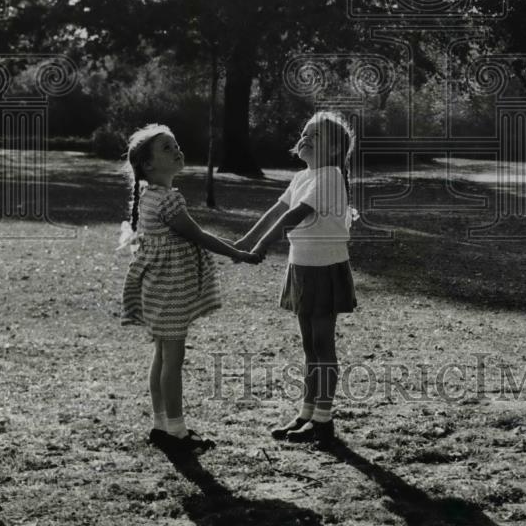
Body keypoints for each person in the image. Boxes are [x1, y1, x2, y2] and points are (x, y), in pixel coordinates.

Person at [120, 123, 260, 450]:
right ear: (149, 165)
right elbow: (198, 235)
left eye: (176, 143)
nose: (177, 150)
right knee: (173, 358)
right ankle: (177, 432)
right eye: (166, 148)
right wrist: (237, 253)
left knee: (162, 355)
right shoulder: (167, 201)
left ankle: (160, 424)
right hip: (169, 289)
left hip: (159, 287)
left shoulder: (149, 196)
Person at [235, 111, 356, 447]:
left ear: (333, 150)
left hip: (324, 270)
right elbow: (277, 210)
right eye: (304, 132)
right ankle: (306, 413)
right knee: (308, 347)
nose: (305, 138)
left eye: (314, 135)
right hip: (301, 267)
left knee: (322, 345)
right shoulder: (303, 175)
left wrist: (261, 247)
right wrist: (245, 241)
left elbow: (294, 215)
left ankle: (323, 421)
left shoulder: (330, 175)